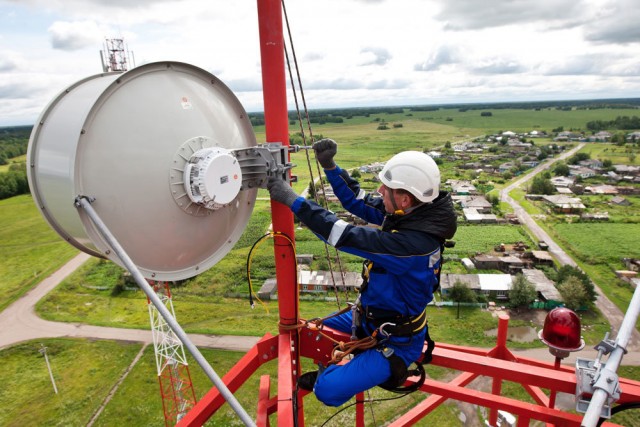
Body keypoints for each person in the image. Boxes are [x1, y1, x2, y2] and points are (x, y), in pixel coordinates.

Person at [267, 138, 457, 406]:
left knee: (328, 392)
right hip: (369, 317)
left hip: (397, 339)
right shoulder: (411, 214)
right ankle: (347, 365)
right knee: (307, 331)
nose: (379, 190)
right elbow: (358, 201)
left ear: (404, 198)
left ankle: (332, 374)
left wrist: (292, 201)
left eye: (386, 188)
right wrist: (331, 167)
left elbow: (343, 234)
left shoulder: (413, 245)